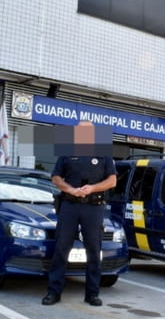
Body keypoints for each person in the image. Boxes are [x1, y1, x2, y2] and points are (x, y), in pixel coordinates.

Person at [42, 120, 117, 306]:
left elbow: (112, 181)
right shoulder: (67, 151)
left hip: (93, 207)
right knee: (61, 249)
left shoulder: (103, 153)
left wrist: (92, 188)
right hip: (70, 205)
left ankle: (92, 294)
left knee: (93, 251)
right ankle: (54, 292)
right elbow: (56, 177)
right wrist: (70, 190)